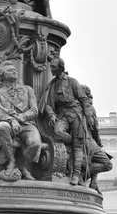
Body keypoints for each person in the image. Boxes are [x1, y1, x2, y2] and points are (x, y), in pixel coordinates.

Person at [39, 57, 95, 185]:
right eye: (51, 66)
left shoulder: (72, 82)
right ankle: (73, 141)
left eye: (53, 67)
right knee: (58, 132)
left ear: (61, 68)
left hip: (76, 114)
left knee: (78, 147)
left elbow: (84, 99)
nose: (51, 69)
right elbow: (47, 104)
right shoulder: (52, 85)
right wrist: (52, 115)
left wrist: (89, 116)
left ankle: (75, 174)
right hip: (62, 115)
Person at [0, 61, 42, 180]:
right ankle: (12, 161)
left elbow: (34, 110)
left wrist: (22, 117)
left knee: (35, 144)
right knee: (1, 126)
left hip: (27, 124)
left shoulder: (28, 89)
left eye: (14, 69)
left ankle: (22, 166)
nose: (14, 71)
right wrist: (12, 120)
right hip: (9, 124)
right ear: (2, 75)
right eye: (10, 70)